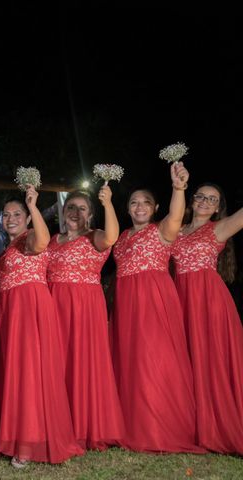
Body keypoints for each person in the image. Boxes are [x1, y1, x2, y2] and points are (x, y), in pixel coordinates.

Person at [111, 162, 203, 453]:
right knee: (131, 360)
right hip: (126, 302)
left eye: (146, 202)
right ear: (127, 208)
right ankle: (130, 424)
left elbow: (177, 214)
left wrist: (179, 187)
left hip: (154, 300)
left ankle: (161, 426)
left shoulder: (162, 230)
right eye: (134, 202)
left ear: (155, 207)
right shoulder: (120, 238)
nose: (140, 207)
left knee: (156, 359)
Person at [0, 187, 83, 466]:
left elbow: (43, 240)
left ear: (28, 218)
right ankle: (13, 435)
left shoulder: (30, 237)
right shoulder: (8, 244)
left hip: (30, 306)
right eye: (7, 215)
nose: (11, 218)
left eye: (17, 214)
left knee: (30, 371)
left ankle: (29, 443)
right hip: (11, 308)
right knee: (15, 370)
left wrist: (33, 205)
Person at [46, 186, 124, 450]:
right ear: (62, 211)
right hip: (53, 302)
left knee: (82, 360)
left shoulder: (96, 236)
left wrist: (109, 203)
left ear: (90, 214)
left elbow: (112, 236)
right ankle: (57, 421)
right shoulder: (52, 240)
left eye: (82, 208)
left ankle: (83, 425)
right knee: (56, 361)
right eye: (71, 207)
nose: (75, 212)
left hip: (84, 304)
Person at [171, 182, 243, 454]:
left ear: (218, 207)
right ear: (191, 201)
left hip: (208, 300)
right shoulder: (175, 229)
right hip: (180, 298)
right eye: (200, 196)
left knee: (210, 360)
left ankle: (218, 426)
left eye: (212, 199)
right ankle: (191, 424)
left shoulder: (220, 227)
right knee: (187, 360)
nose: (205, 201)